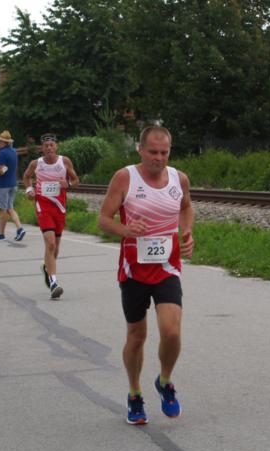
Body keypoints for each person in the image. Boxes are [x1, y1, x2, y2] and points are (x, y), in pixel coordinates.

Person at [97, 126, 195, 426]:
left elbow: (186, 207)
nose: (158, 158)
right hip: (134, 269)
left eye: (164, 152)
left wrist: (187, 232)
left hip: (167, 267)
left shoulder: (179, 179)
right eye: (153, 152)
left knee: (172, 331)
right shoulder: (125, 177)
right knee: (137, 336)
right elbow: (103, 219)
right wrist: (126, 230)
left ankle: (164, 381)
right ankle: (135, 393)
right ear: (140, 149)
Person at [22, 134, 79, 300]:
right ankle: (53, 283)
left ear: (56, 146)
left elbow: (76, 180)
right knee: (51, 243)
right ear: (42, 148)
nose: (49, 148)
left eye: (51, 145)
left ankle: (46, 267)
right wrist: (29, 190)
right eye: (46, 145)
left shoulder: (64, 162)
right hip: (43, 207)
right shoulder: (36, 164)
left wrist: (68, 184)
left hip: (59, 208)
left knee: (56, 248)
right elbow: (26, 177)